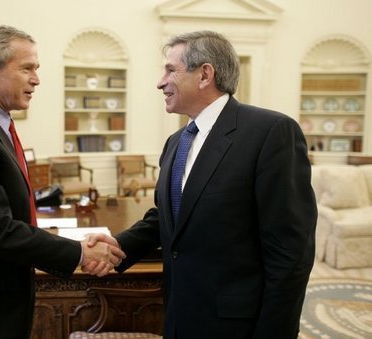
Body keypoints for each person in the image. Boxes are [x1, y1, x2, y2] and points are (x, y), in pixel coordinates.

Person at [86, 31, 317, 339]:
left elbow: (291, 254)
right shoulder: (176, 142)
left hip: (238, 325)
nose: (160, 82)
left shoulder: (271, 132)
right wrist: (121, 245)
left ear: (205, 74)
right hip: (180, 314)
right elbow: (168, 217)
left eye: (170, 70)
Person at [0, 24, 125, 339]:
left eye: (37, 68)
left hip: (1, 289)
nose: (36, 79)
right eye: (27, 68)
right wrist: (80, 253)